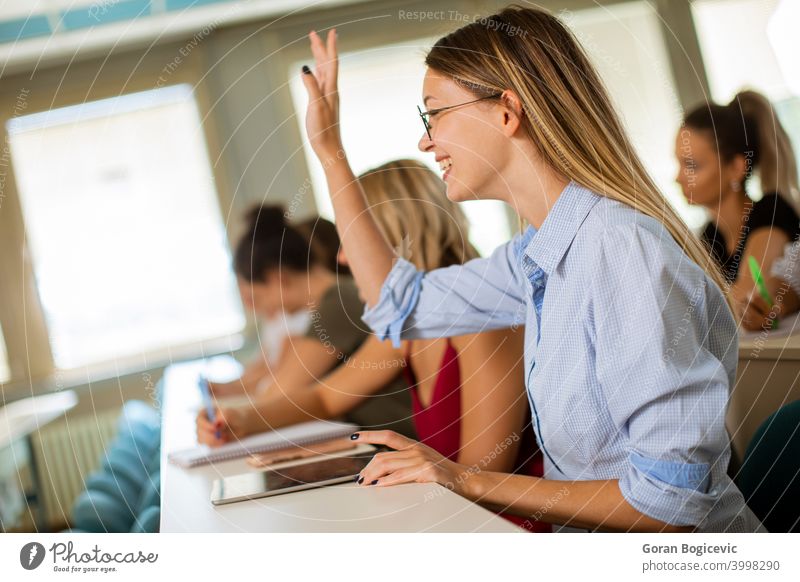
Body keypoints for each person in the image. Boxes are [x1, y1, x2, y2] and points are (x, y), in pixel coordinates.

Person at [299, 6, 764, 532]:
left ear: (506, 112)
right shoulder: (537, 255)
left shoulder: (619, 251)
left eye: (435, 114)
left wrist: (462, 478)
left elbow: (668, 505)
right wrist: (330, 152)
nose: (425, 141)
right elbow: (399, 304)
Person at [198, 161, 547, 531]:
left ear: (395, 239)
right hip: (442, 509)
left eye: (353, 242)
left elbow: (480, 475)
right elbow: (326, 398)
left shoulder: (482, 322)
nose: (342, 259)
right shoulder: (411, 325)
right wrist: (242, 420)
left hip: (494, 525)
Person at [210, 204, 415, 436]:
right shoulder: (332, 301)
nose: (264, 310)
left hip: (402, 443)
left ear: (278, 278)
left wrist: (226, 415)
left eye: (258, 297)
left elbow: (280, 393)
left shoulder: (338, 303)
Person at [676, 90, 800, 330]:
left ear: (736, 167)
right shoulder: (710, 237)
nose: (678, 177)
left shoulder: (771, 211)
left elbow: (746, 295)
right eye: (679, 163)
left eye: (692, 165)